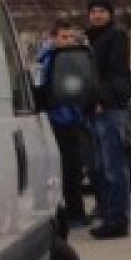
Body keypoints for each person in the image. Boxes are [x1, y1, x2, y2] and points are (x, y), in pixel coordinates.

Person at [36, 19, 95, 227]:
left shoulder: (57, 58)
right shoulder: (51, 60)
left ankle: (72, 210)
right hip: (61, 118)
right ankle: (75, 213)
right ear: (53, 38)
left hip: (68, 117)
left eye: (71, 37)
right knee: (70, 168)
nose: (68, 41)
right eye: (64, 37)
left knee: (71, 168)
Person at [86, 0, 131, 240]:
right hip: (96, 108)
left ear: (110, 14)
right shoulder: (92, 38)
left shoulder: (115, 36)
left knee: (114, 166)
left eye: (102, 11)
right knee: (100, 167)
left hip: (110, 107)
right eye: (93, 11)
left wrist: (102, 99)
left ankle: (118, 220)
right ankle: (108, 215)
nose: (97, 15)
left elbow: (114, 73)